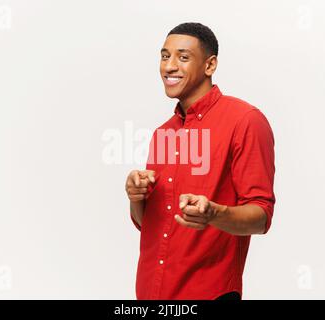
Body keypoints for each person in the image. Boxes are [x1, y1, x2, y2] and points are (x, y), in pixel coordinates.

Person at [125, 22, 276, 300]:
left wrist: (214, 214)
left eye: (183, 57)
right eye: (164, 56)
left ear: (210, 65)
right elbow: (149, 223)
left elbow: (261, 216)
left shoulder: (245, 120)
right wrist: (136, 197)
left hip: (210, 293)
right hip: (150, 293)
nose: (169, 66)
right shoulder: (163, 134)